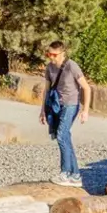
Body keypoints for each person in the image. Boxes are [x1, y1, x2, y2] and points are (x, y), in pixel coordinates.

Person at [41, 40, 91, 188]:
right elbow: (47, 90)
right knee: (65, 138)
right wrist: (43, 110)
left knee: (62, 135)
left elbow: (86, 88)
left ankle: (65, 172)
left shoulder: (72, 66)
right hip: (57, 105)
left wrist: (85, 110)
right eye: (48, 54)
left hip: (71, 105)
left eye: (54, 55)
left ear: (62, 54)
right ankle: (75, 176)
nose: (51, 57)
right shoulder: (49, 68)